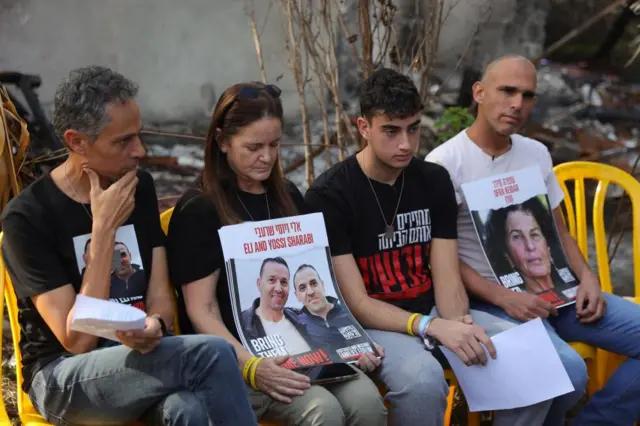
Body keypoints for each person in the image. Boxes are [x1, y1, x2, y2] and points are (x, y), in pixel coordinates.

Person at [0, 65, 258, 426]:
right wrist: (103, 230)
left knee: (187, 411)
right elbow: (77, 339)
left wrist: (154, 325)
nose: (140, 150)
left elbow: (160, 301)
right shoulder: (28, 216)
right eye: (123, 141)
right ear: (76, 142)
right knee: (212, 354)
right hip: (63, 376)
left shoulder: (141, 187)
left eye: (137, 135)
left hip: (138, 359)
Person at [305, 67, 552, 426]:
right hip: (377, 324)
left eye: (413, 128)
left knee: (530, 360)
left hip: (434, 310)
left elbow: (446, 271)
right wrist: (430, 328)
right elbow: (355, 302)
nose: (405, 143)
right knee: (423, 380)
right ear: (363, 128)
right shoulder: (330, 195)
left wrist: (457, 324)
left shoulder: (434, 179)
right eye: (391, 131)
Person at [426, 54, 640, 425]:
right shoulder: (446, 163)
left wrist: (587, 277)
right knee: (567, 375)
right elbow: (440, 256)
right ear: (478, 92)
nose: (517, 104)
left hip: (560, 293)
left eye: (527, 96)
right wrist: (503, 297)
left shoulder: (536, 153)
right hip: (491, 301)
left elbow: (558, 229)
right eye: (507, 91)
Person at [165, 81, 387, 426]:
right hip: (240, 361)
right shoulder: (199, 211)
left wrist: (350, 341)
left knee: (367, 402)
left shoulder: (289, 196)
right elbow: (202, 311)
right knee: (322, 412)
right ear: (222, 141)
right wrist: (252, 367)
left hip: (307, 348)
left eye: (274, 145)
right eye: (253, 147)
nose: (266, 157)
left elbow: (316, 288)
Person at [241, 257, 312, 355]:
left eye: (284, 282)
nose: (278, 288)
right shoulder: (242, 323)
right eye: (271, 280)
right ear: (259, 284)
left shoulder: (303, 317)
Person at [293, 263, 355, 351]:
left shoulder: (348, 309)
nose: (310, 292)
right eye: (302, 288)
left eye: (314, 283)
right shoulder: (297, 325)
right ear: (297, 296)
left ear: (322, 285)